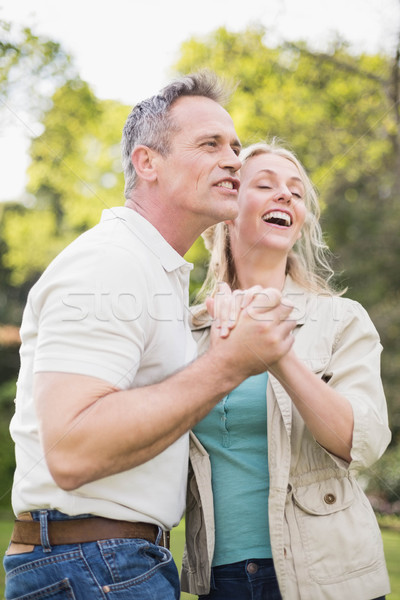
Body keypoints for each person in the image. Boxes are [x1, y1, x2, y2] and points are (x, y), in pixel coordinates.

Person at [3, 76, 297, 600]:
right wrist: (231, 364)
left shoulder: (155, 273)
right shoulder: (111, 261)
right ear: (147, 163)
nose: (234, 159)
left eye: (234, 146)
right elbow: (72, 450)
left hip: (112, 561)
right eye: (210, 144)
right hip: (94, 564)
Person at [181, 141, 392, 600]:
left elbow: (364, 442)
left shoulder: (341, 319)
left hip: (329, 576)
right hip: (222, 581)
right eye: (265, 185)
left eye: (296, 193)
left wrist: (278, 355)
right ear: (226, 210)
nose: (286, 197)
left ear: (298, 225)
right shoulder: (188, 331)